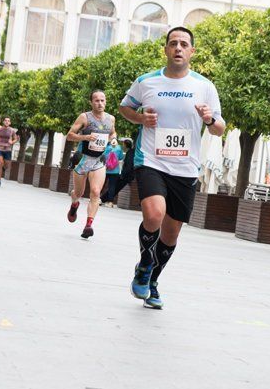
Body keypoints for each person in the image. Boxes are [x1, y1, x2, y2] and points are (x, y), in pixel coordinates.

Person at [119, 26, 225, 309]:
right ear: (166, 49)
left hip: (186, 167)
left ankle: (152, 280)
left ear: (192, 52)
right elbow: (125, 107)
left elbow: (219, 128)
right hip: (151, 159)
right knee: (154, 214)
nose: (178, 48)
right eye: (173, 43)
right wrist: (141, 120)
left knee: (171, 233)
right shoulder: (146, 82)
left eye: (184, 44)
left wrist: (209, 119)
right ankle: (144, 263)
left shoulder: (204, 86)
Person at [66, 90, 117, 239]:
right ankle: (75, 204)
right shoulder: (85, 117)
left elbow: (113, 133)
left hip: (98, 161)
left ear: (105, 102)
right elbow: (70, 136)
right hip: (83, 160)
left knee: (95, 192)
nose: (100, 103)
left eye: (102, 100)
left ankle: (88, 225)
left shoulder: (110, 119)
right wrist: (86, 137)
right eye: (96, 100)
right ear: (91, 102)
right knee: (79, 193)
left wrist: (113, 139)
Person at [0, 117, 18, 187]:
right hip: (0, 148)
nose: (7, 122)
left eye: (8, 121)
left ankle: (2, 170)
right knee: (0, 163)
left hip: (8, 149)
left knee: (6, 165)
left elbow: (15, 139)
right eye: (5, 120)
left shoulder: (12, 130)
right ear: (3, 122)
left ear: (10, 123)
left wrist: (12, 142)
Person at [101, 139, 125, 207]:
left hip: (105, 169)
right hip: (115, 171)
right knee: (112, 186)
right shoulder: (119, 148)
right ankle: (110, 202)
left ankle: (98, 199)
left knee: (102, 184)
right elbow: (121, 158)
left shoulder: (107, 147)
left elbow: (103, 156)